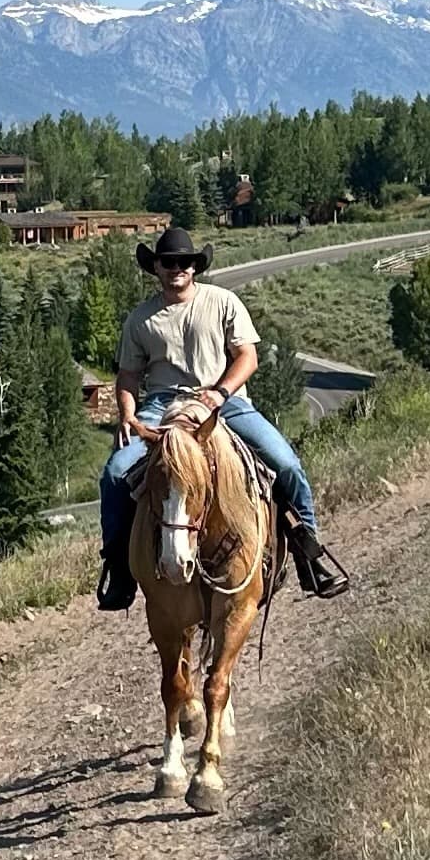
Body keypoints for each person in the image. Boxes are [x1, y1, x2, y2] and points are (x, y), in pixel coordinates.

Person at [97, 226, 349, 611]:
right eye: (168, 262)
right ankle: (119, 567)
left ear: (195, 267)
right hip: (162, 406)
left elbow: (247, 356)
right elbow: (129, 374)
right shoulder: (140, 319)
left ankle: (308, 553)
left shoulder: (223, 302)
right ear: (157, 268)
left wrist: (219, 392)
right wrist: (128, 416)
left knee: (285, 463)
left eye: (184, 262)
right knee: (115, 474)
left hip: (225, 401)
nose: (176, 268)